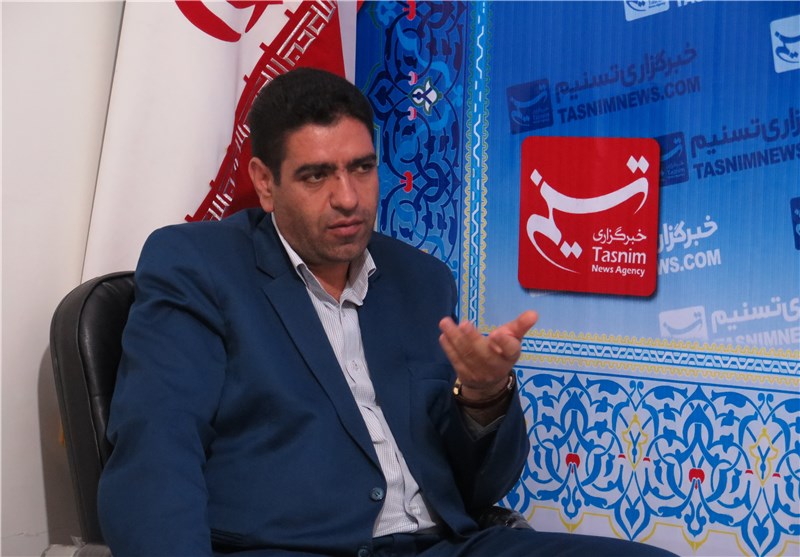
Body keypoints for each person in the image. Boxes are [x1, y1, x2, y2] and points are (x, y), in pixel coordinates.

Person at [97, 67, 677, 557]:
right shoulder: (199, 266)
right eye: (316, 175)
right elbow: (156, 451)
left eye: (361, 167)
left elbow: (478, 489)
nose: (348, 197)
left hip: (441, 545)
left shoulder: (420, 280)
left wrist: (483, 398)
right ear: (265, 183)